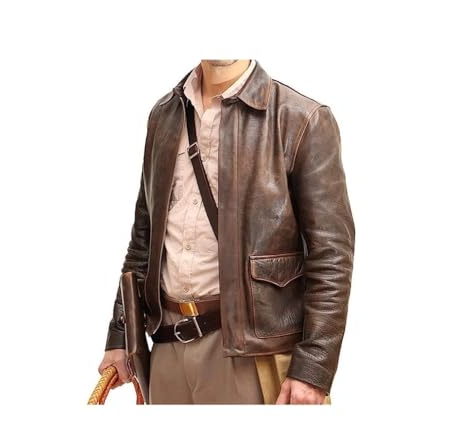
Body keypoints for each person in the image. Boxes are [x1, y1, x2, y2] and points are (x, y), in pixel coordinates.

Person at [98, 59, 355, 404]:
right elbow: (143, 240)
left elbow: (332, 256)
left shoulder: (301, 119)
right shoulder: (165, 114)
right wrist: (121, 334)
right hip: (166, 348)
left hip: (251, 353)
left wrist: (313, 368)